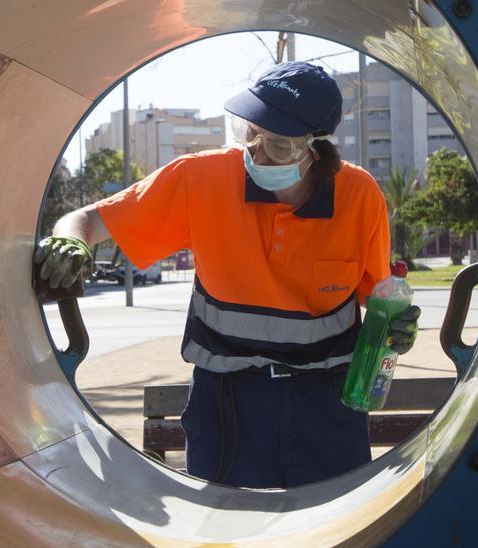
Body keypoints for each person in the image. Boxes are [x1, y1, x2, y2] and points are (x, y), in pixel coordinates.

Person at [34, 62, 421, 488]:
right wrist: (71, 241)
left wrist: (395, 325)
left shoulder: (360, 196)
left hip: (328, 405)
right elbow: (88, 219)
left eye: (277, 144)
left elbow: (377, 295)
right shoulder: (201, 179)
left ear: (318, 150)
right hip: (227, 405)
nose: (256, 152)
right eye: (250, 133)